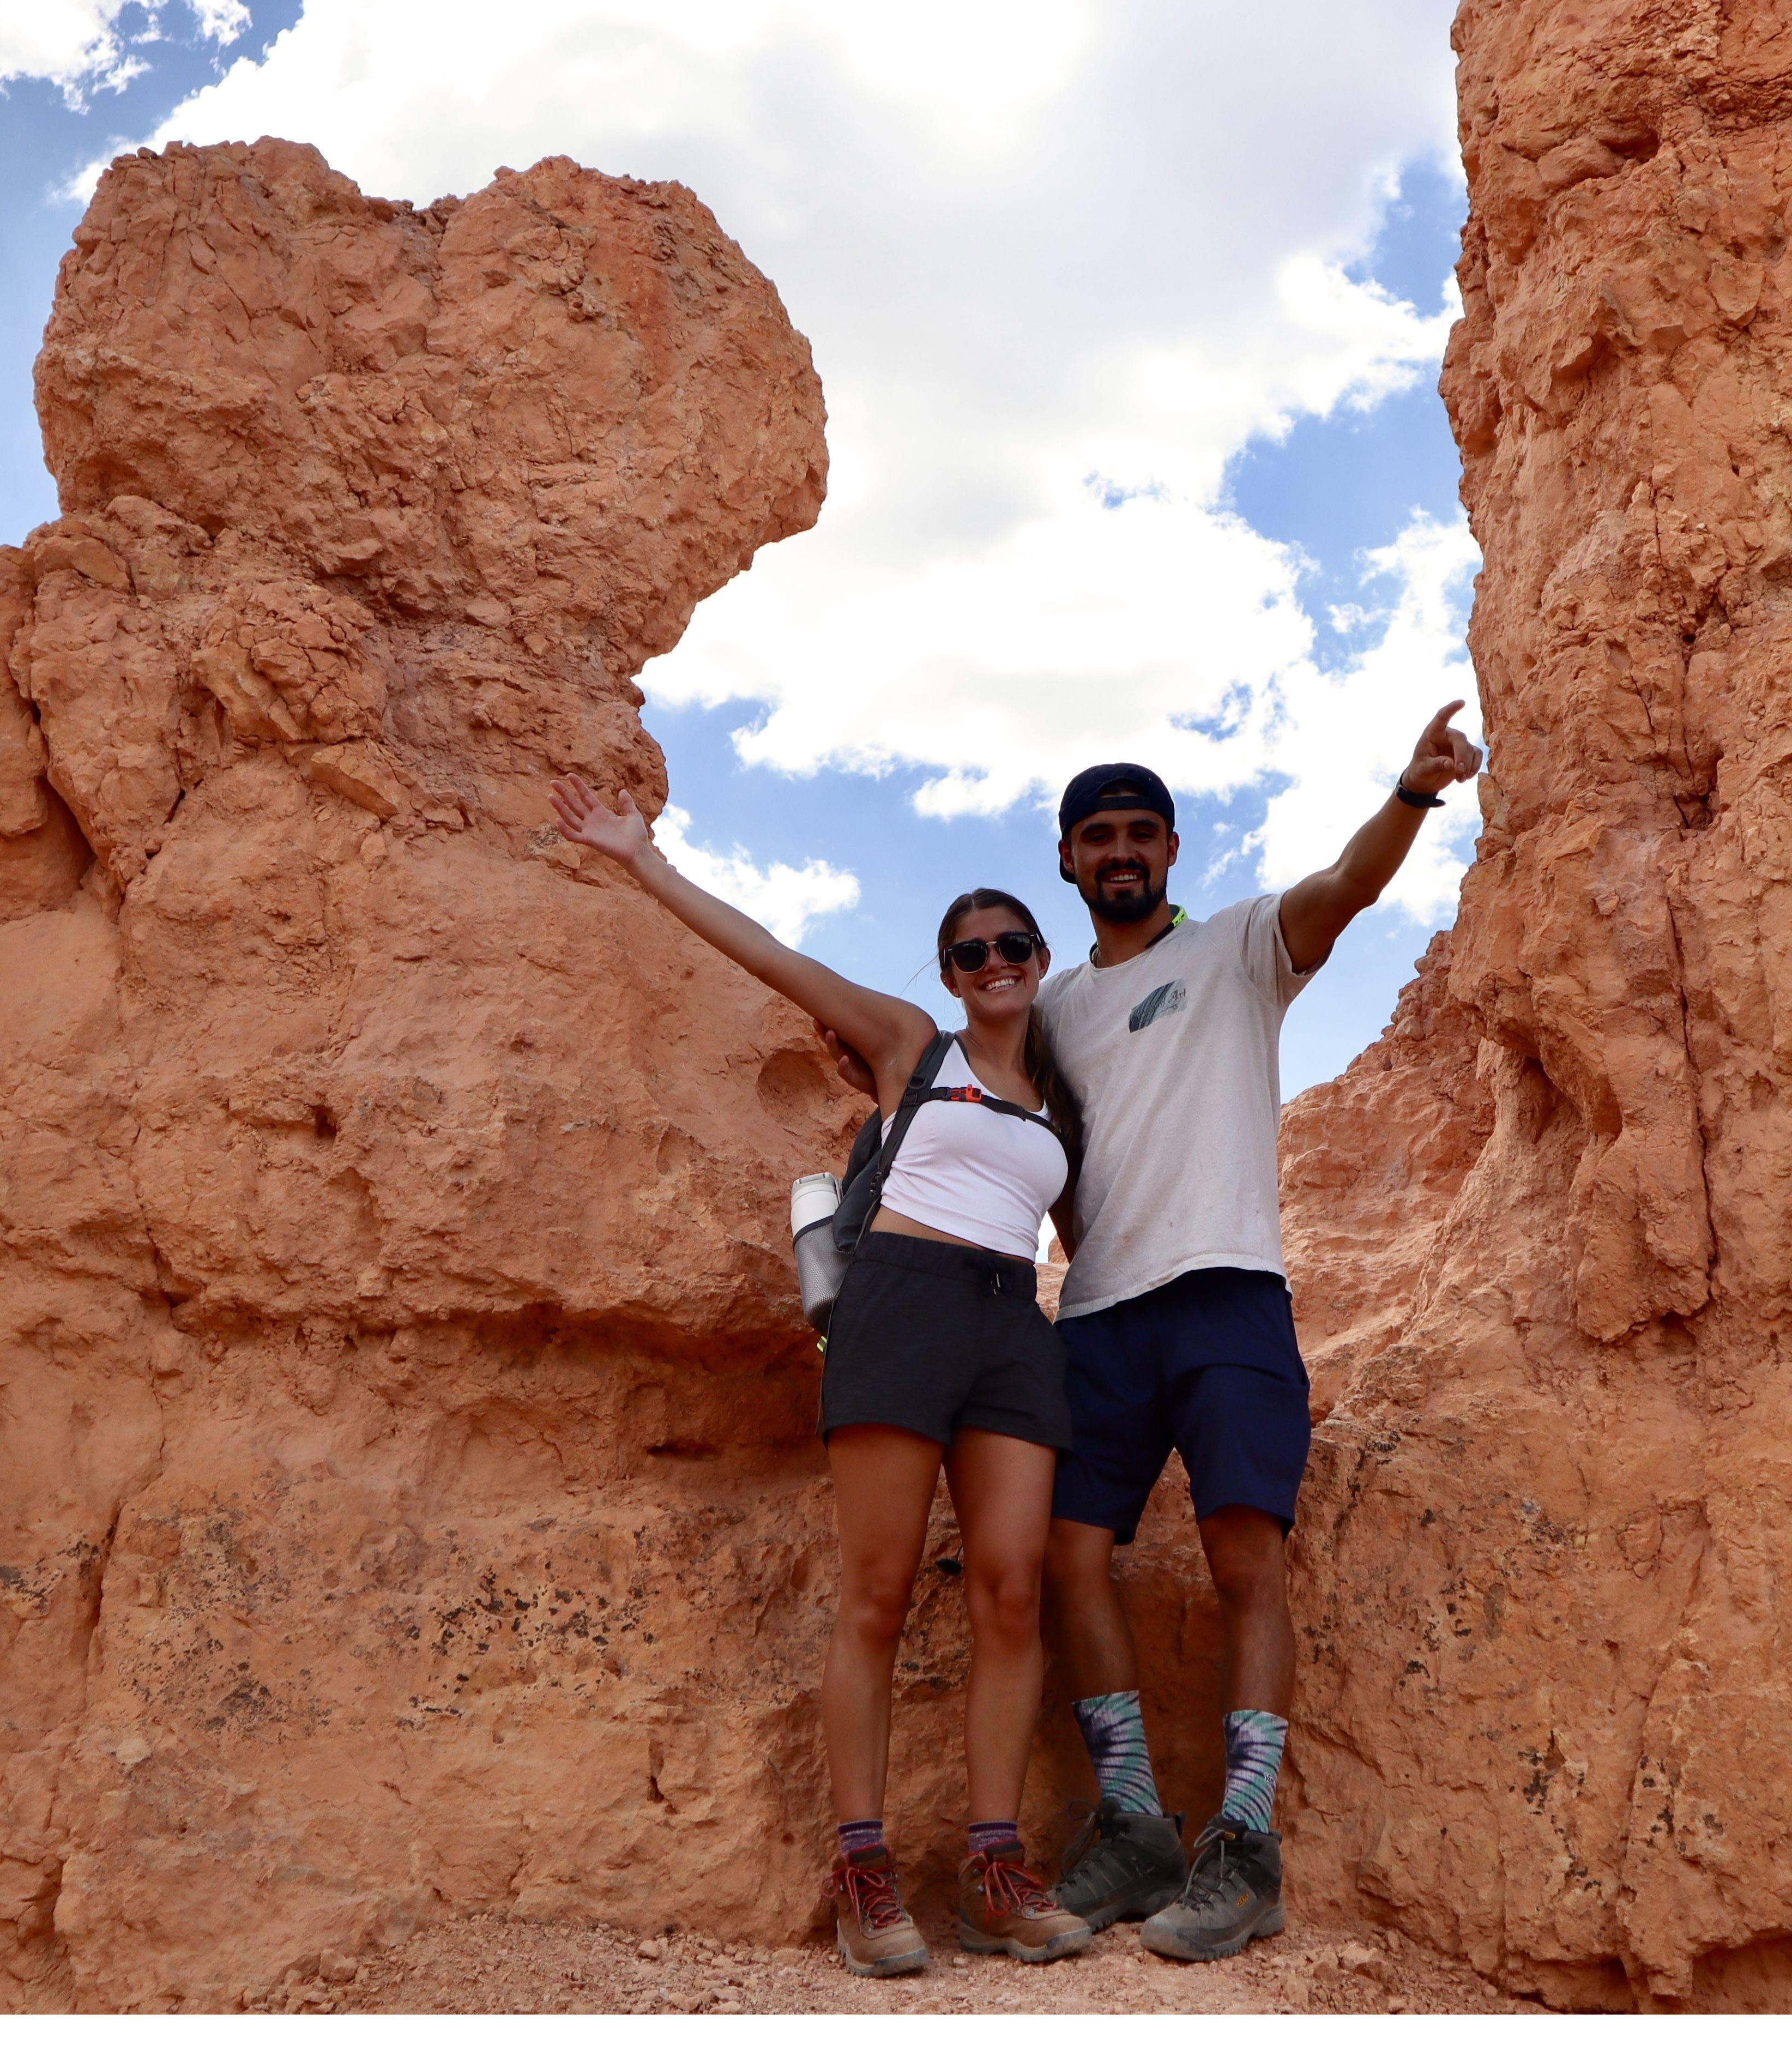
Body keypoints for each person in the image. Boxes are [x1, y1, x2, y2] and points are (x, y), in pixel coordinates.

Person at [544, 771, 1098, 1979]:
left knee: (1012, 1591)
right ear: (949, 972)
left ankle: (996, 1877)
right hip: (903, 1308)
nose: (993, 962)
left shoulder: (1061, 1099)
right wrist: (641, 861)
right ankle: (864, 1872)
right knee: (877, 1594)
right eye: (970, 952)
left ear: (1040, 955)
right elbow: (774, 956)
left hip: (1015, 1324)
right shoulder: (914, 1047)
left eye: (1012, 944)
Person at [1035, 703, 1484, 1961]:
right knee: (1071, 1557)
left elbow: (1343, 888)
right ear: (1067, 859)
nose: (1120, 852)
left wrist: (1411, 794)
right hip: (1102, 1314)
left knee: (1247, 1562)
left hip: (1229, 1287)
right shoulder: (1059, 1006)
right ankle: (1133, 1823)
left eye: (1140, 833)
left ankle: (1244, 1841)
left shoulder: (1236, 947)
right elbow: (1059, 1153)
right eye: (1097, 837)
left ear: (1172, 849)